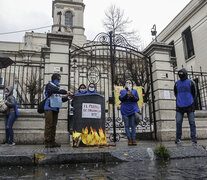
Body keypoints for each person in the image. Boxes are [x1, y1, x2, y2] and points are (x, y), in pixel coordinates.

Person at [44, 73, 72, 148]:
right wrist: (66, 92)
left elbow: (59, 99)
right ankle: (47, 141)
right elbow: (55, 90)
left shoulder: (57, 87)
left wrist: (67, 98)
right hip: (49, 107)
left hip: (55, 108)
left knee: (54, 125)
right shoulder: (49, 85)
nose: (59, 81)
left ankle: (52, 141)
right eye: (58, 79)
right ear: (55, 79)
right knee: (49, 125)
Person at [174, 68, 197, 145]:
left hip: (189, 105)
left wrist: (190, 100)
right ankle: (178, 139)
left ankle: (194, 139)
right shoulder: (177, 83)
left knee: (192, 122)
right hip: (179, 106)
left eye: (182, 73)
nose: (180, 74)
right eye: (179, 73)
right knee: (178, 122)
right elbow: (175, 93)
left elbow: (195, 93)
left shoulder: (191, 82)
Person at [119, 79, 140, 146]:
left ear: (132, 84)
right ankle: (129, 139)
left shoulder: (134, 91)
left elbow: (137, 99)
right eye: (127, 83)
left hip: (133, 109)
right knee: (127, 125)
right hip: (125, 110)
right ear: (125, 84)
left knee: (133, 125)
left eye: (130, 83)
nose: (128, 84)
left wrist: (132, 96)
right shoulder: (122, 91)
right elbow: (121, 98)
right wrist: (126, 95)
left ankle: (133, 139)